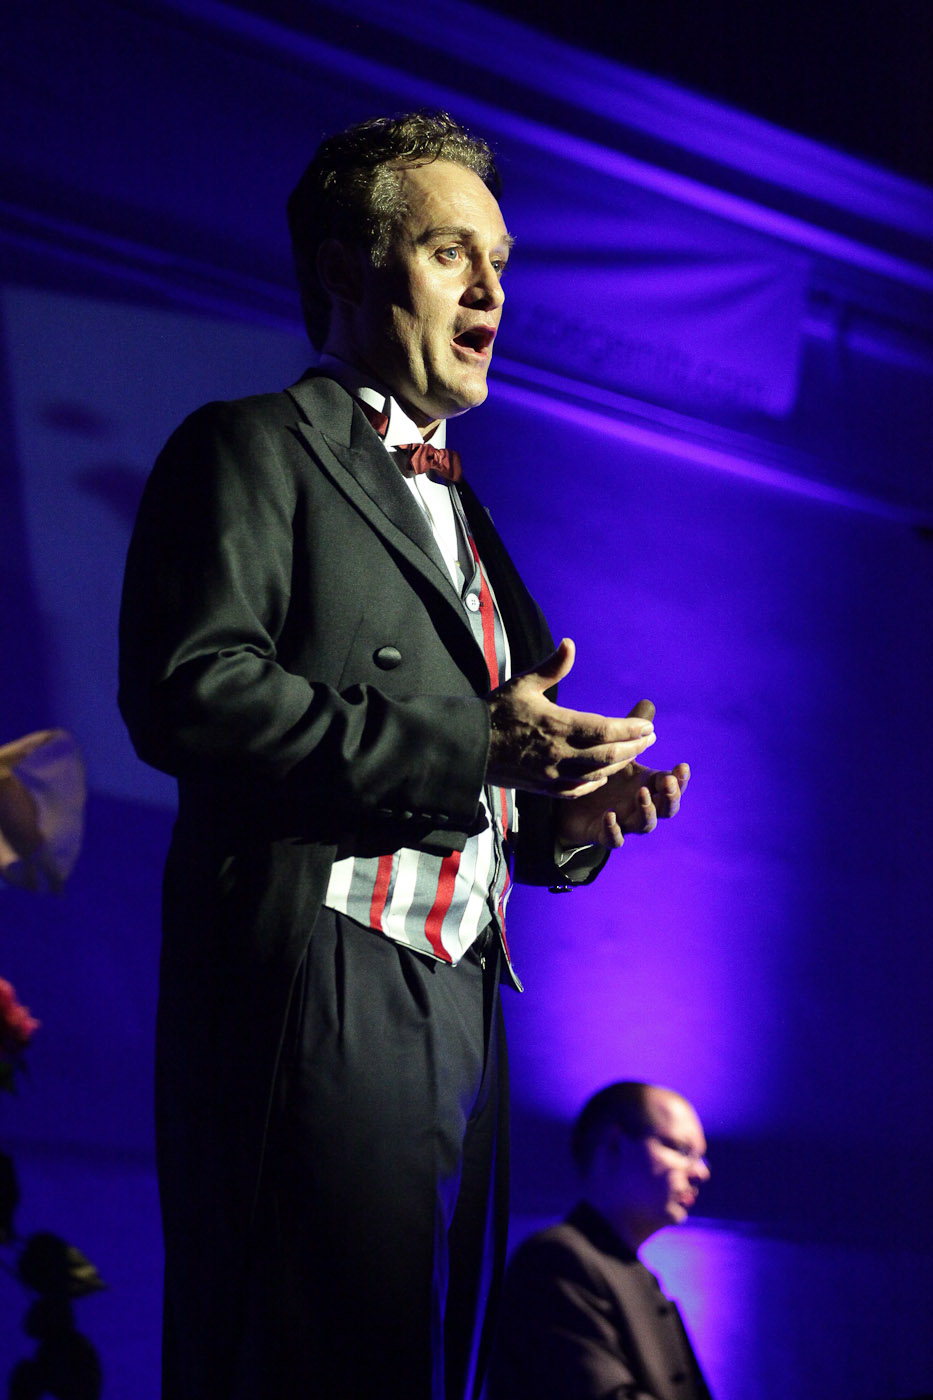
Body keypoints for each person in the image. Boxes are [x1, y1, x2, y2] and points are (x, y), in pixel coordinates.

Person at [118, 112, 690, 1400]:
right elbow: (188, 694)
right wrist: (476, 739)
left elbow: (468, 777)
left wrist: (566, 817)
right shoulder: (250, 445)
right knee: (314, 1364)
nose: (492, 290)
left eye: (501, 262)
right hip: (325, 975)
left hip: (463, 999)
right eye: (450, 254)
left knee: (425, 1368)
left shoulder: (466, 512)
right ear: (344, 269)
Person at [488, 1082, 713, 1400]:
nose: (701, 1172)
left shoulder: (629, 1271)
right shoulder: (556, 1260)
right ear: (614, 1145)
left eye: (701, 1157)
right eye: (681, 1149)